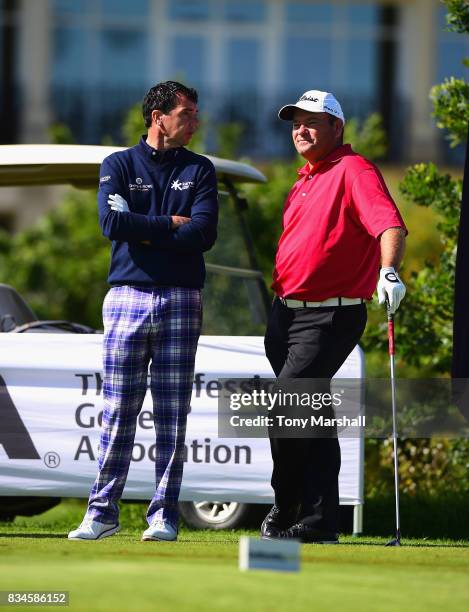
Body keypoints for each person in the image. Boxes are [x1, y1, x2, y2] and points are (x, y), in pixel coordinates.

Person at [68, 81, 218, 542]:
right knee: (118, 409)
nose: (194, 122)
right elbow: (111, 223)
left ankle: (163, 515)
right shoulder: (117, 164)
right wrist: (169, 224)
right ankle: (102, 512)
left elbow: (203, 234)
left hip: (181, 297)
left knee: (173, 412)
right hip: (128, 296)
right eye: (187, 114)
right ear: (159, 117)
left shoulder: (201, 169)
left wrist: (144, 228)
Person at [261, 90, 407, 544]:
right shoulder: (305, 178)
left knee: (287, 407)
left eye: (312, 122)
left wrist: (389, 271)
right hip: (284, 315)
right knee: (310, 418)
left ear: (336, 128)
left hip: (328, 316)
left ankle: (286, 506)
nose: (300, 130)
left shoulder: (354, 169)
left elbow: (389, 224)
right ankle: (321, 520)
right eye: (295, 123)